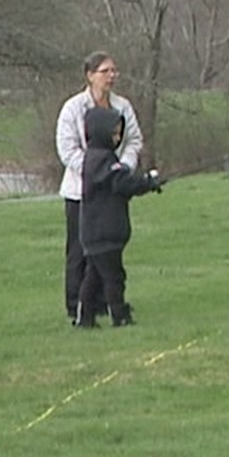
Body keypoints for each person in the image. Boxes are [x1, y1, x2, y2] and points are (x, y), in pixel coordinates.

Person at [56, 52, 142, 325]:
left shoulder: (122, 107)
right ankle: (77, 305)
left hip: (113, 190)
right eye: (105, 71)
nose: (111, 76)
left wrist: (120, 169)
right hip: (81, 191)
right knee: (80, 250)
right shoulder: (73, 108)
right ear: (90, 75)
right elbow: (67, 149)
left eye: (114, 71)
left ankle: (106, 302)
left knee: (108, 250)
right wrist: (97, 170)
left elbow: (134, 141)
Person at [76, 106, 162, 328]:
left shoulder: (96, 159)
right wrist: (147, 183)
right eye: (113, 133)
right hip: (103, 233)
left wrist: (147, 183)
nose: (117, 138)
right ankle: (119, 315)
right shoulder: (102, 161)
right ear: (100, 133)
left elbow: (121, 180)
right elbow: (123, 183)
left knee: (94, 277)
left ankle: (85, 317)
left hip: (96, 233)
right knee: (114, 277)